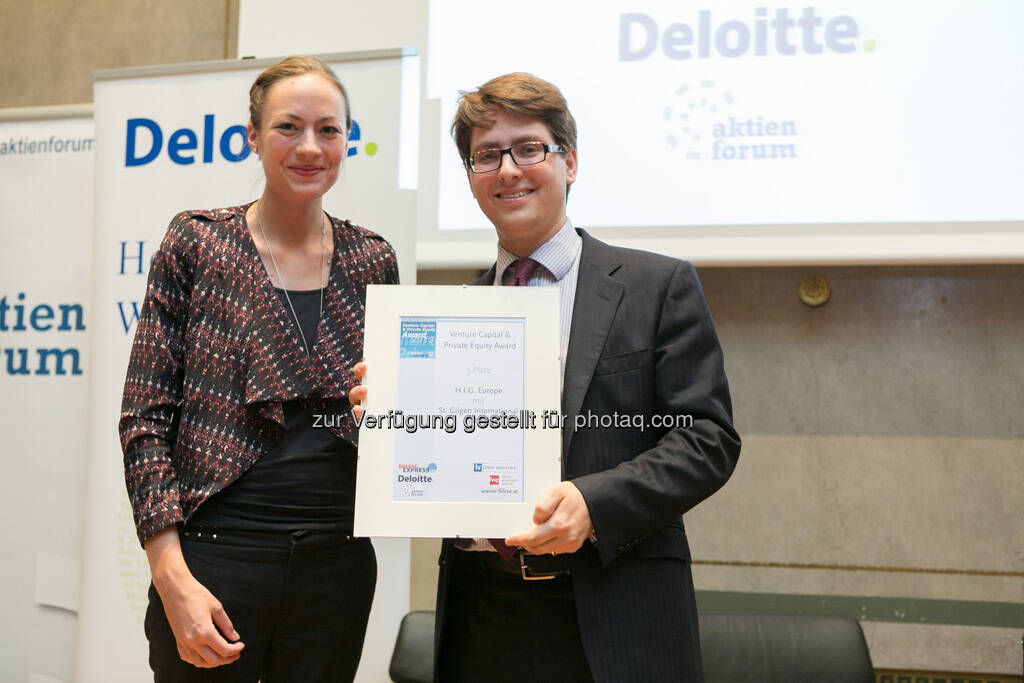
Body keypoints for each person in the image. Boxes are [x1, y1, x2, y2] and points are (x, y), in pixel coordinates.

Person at [351, 72, 740, 682]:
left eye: (529, 148)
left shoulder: (656, 287)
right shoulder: (450, 317)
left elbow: (707, 440)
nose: (508, 169)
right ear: (473, 179)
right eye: (487, 155)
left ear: (570, 162)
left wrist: (594, 502)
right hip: (482, 614)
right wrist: (390, 424)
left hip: (617, 612)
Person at [120, 56, 398, 681]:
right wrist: (171, 576)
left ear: (347, 140)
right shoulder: (198, 243)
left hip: (338, 564)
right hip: (216, 559)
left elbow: (389, 425)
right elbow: (144, 416)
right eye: (288, 127)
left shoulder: (373, 260)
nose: (310, 147)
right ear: (251, 136)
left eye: (329, 129)